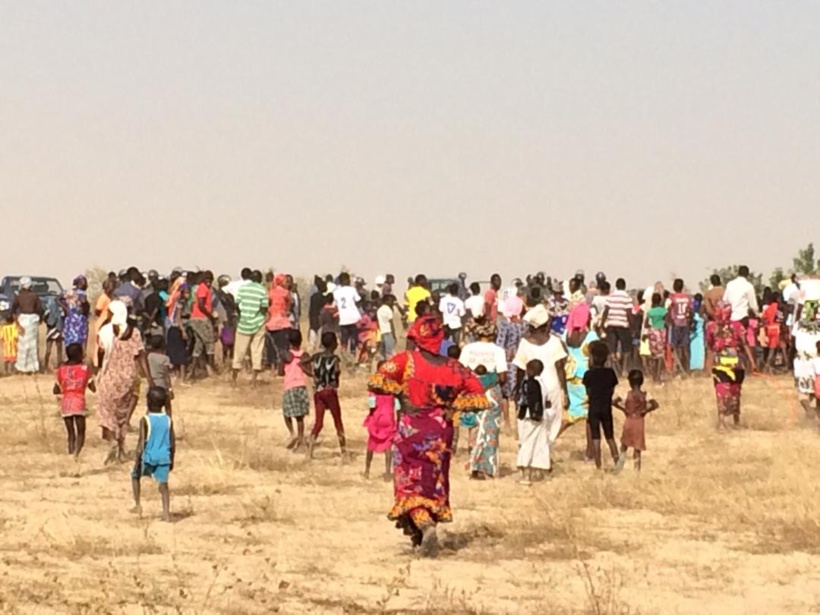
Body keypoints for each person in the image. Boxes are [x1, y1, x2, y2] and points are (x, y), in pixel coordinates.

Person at [368, 315, 489, 556]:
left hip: (411, 430)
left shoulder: (406, 361)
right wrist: (452, 406)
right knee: (433, 481)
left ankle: (424, 525)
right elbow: (479, 395)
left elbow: (378, 380)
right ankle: (424, 528)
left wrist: (401, 393)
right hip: (441, 433)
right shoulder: (455, 367)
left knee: (409, 484)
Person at [97, 300, 154, 464]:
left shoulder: (107, 331)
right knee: (122, 416)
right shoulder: (134, 332)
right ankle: (121, 451)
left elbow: (101, 354)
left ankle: (112, 442)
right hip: (128, 377)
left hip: (111, 376)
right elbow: (141, 355)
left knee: (106, 413)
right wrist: (149, 379)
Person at [513, 305, 569, 451]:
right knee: (552, 421)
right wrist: (565, 392)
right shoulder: (555, 341)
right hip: (552, 386)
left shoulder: (525, 343)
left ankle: (529, 450)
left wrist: (518, 389)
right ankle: (545, 451)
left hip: (531, 387)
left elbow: (520, 369)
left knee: (529, 419)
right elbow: (560, 368)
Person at [460, 322, 507, 480]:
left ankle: (473, 466)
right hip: (491, 393)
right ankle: (487, 467)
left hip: (472, 391)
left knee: (474, 427)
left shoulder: (467, 349)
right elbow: (502, 377)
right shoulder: (498, 350)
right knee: (490, 430)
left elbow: (460, 371)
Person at [706, 302, 755, 429]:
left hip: (727, 365)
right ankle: (731, 420)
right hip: (730, 365)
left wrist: (753, 362)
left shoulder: (713, 327)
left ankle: (727, 421)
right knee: (732, 391)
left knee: (727, 391)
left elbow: (710, 347)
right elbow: (745, 344)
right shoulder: (735, 326)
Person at [131, 387, 175, 522]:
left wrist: (137, 458)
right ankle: (166, 512)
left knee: (135, 476)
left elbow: (141, 442)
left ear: (148, 402)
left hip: (148, 457)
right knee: (163, 485)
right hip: (164, 457)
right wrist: (171, 458)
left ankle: (137, 504)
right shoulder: (168, 420)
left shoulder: (145, 420)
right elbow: (172, 442)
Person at [303, 332, 346, 460]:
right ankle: (344, 452)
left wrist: (312, 375)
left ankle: (309, 452)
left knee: (319, 423)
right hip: (330, 392)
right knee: (337, 421)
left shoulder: (316, 356)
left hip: (318, 392)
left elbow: (302, 363)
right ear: (334, 344)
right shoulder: (334, 359)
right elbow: (336, 375)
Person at [564, 302, 597, 460]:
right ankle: (590, 452)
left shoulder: (566, 335)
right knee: (590, 417)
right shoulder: (591, 337)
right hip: (586, 379)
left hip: (570, 378)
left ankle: (547, 442)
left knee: (571, 414)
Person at [516, 359, 557, 485]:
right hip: (542, 417)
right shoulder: (543, 383)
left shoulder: (530, 383)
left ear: (530, 370)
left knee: (527, 443)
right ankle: (543, 473)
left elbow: (528, 400)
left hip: (530, 417)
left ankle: (526, 475)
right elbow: (547, 402)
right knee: (541, 444)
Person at [582, 342, 620, 470]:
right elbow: (611, 390)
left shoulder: (588, 374)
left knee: (595, 437)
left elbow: (588, 392)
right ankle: (617, 461)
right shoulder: (610, 373)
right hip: (606, 407)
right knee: (610, 437)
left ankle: (598, 466)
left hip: (593, 408)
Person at [54, 343, 95, 459]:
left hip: (66, 403)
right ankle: (76, 454)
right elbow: (93, 388)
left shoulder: (61, 370)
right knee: (81, 432)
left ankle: (70, 453)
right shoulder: (85, 369)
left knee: (70, 433)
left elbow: (55, 389)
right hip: (79, 402)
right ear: (79, 355)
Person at [613, 370, 659, 471]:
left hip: (629, 421)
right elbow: (655, 404)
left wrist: (624, 409)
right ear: (642, 381)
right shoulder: (646, 395)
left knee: (624, 445)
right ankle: (636, 469)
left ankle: (619, 467)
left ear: (629, 382)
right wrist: (645, 411)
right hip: (639, 422)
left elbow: (614, 402)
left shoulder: (627, 394)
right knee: (637, 448)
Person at [232, 271, 270, 387]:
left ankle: (234, 380)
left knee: (239, 351)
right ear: (260, 279)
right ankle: (253, 382)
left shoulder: (243, 289)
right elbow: (264, 307)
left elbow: (237, 304)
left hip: (243, 324)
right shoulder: (262, 290)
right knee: (257, 351)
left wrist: (242, 315)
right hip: (258, 323)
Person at [363, 367, 398, 480]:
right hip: (389, 418)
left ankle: (367, 470)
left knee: (371, 444)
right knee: (388, 446)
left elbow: (371, 406)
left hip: (377, 418)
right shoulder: (393, 388)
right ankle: (387, 472)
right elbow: (398, 406)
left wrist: (370, 415)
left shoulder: (374, 390)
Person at [281, 329, 310, 451]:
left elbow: (280, 371)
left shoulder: (287, 355)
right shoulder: (305, 355)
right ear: (301, 340)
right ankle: (301, 437)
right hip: (301, 386)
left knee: (286, 412)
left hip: (289, 386)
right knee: (300, 416)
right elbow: (309, 372)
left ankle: (292, 433)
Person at [189, 271, 217, 377]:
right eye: (206, 280)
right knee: (210, 342)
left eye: (210, 280)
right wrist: (210, 316)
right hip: (201, 318)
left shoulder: (203, 288)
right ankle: (211, 367)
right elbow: (201, 305)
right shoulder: (203, 288)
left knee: (199, 344)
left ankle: (192, 371)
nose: (208, 282)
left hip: (198, 318)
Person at [13, 277, 44, 374]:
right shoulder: (34, 296)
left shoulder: (18, 296)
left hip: (22, 321)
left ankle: (21, 367)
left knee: (22, 345)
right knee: (33, 345)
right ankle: (33, 367)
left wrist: (17, 323)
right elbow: (39, 309)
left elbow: (13, 310)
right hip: (32, 321)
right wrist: (41, 319)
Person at [265, 273, 294, 375]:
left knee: (272, 347)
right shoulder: (286, 293)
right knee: (283, 347)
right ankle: (282, 368)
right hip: (282, 322)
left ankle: (272, 367)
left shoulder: (270, 292)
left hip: (271, 323)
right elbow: (290, 303)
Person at [602, 278, 632, 375]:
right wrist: (632, 326)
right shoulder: (627, 297)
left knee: (612, 348)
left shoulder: (611, 297)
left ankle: (615, 369)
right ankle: (624, 369)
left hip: (611, 324)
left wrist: (603, 323)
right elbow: (629, 313)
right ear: (624, 286)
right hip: (623, 325)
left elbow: (606, 311)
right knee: (626, 348)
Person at [165, 283, 190, 382]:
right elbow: (178, 318)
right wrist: (183, 330)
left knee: (174, 353)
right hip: (177, 329)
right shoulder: (181, 302)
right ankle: (182, 378)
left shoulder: (175, 301)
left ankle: (177, 375)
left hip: (172, 328)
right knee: (181, 354)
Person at [668, 279, 693, 375]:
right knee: (685, 347)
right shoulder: (687, 298)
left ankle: (678, 368)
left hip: (676, 324)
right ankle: (686, 369)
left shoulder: (672, 298)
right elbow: (690, 310)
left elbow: (669, 309)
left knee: (675, 347)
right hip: (685, 323)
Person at [333, 273, 362, 355]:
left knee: (344, 340)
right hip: (353, 318)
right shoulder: (352, 290)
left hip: (343, 319)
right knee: (353, 339)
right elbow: (358, 300)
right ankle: (352, 355)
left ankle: (344, 356)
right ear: (347, 280)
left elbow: (335, 305)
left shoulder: (336, 292)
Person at [147, 335, 174, 415]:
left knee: (151, 407)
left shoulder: (149, 356)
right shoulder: (165, 358)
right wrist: (170, 389)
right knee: (167, 405)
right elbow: (166, 375)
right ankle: (168, 422)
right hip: (161, 384)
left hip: (152, 383)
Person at [62, 275, 90, 350]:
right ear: (79, 283)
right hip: (79, 319)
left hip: (70, 318)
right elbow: (84, 303)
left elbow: (57, 299)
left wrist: (66, 308)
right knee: (79, 338)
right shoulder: (81, 293)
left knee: (70, 338)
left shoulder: (68, 292)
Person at [645, 293, 668, 384]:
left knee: (653, 355)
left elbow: (646, 324)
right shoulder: (664, 311)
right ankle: (658, 376)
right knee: (660, 355)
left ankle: (654, 375)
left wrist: (652, 327)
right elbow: (667, 322)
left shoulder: (650, 312)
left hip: (652, 332)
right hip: (661, 332)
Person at [43, 294, 65, 373]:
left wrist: (49, 323)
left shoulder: (50, 308)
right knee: (59, 349)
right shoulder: (62, 308)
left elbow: (44, 317)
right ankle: (58, 365)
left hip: (51, 329)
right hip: (58, 329)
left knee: (49, 349)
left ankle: (46, 366)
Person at [307, 277, 327, 351]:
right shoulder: (323, 298)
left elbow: (311, 308)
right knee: (320, 333)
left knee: (313, 334)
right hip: (320, 318)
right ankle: (320, 347)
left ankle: (311, 348)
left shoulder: (313, 297)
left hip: (313, 317)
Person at [377, 295, 397, 359]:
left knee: (382, 352)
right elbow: (391, 323)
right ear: (387, 301)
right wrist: (394, 334)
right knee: (390, 352)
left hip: (382, 332)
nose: (392, 303)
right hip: (388, 332)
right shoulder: (388, 310)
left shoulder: (379, 310)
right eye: (391, 301)